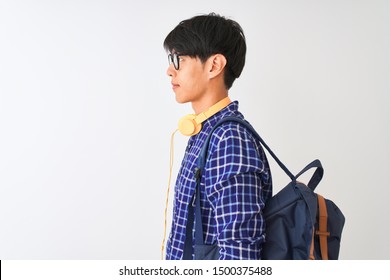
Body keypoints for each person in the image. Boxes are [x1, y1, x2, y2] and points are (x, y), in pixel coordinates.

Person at [163, 13, 272, 260]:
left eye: (178, 59)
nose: (170, 70)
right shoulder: (206, 132)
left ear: (214, 65)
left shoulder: (229, 139)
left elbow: (240, 256)